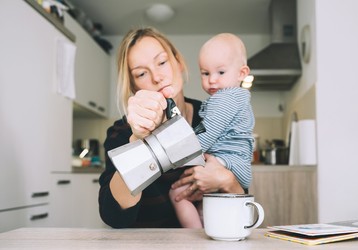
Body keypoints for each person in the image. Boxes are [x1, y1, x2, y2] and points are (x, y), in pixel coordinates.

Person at [98, 27, 245, 228]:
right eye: (141, 73)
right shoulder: (122, 133)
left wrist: (228, 181)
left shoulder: (215, 117)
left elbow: (243, 212)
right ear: (134, 87)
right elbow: (114, 217)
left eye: (162, 62)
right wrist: (138, 140)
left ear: (179, 62)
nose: (157, 77)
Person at [169, 33, 255, 228]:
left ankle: (194, 236)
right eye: (205, 73)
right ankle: (206, 229)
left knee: (177, 194)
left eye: (221, 72)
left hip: (227, 162)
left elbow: (207, 135)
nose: (212, 80)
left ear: (242, 73)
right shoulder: (237, 97)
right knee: (205, 203)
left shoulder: (225, 99)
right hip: (235, 163)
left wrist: (178, 155)